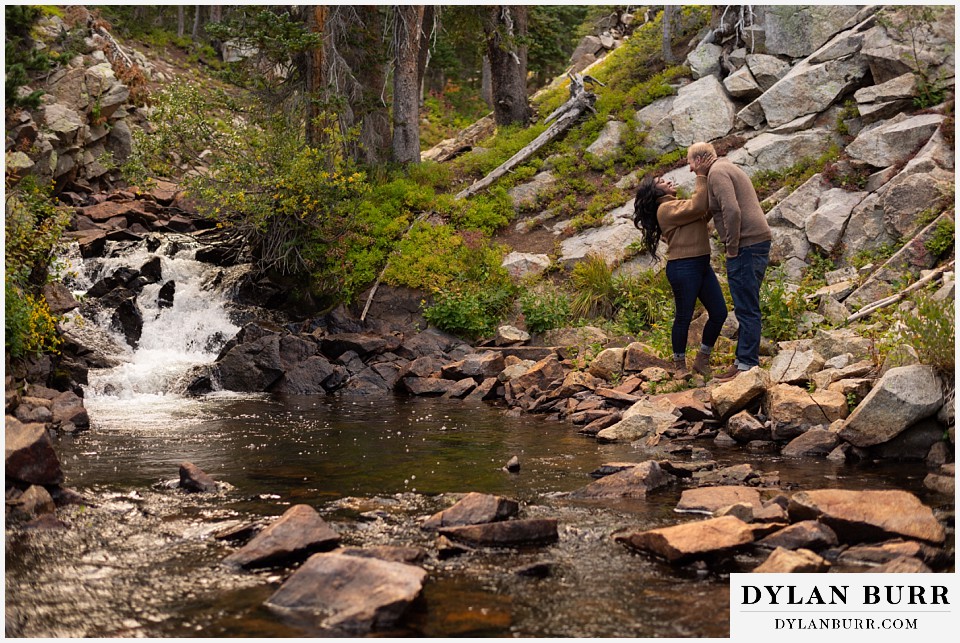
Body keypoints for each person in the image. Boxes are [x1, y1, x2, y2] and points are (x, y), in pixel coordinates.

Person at [633, 155, 727, 378]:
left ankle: (702, 359)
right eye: (661, 182)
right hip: (683, 267)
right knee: (683, 317)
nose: (668, 181)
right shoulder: (664, 210)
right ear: (656, 194)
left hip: (701, 264)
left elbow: (703, 213)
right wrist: (702, 175)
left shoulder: (678, 206)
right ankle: (679, 366)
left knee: (719, 312)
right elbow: (699, 205)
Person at [688, 141, 772, 381]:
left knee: (746, 305)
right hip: (755, 242)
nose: (691, 170)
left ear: (701, 160)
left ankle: (745, 365)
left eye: (691, 163)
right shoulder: (725, 167)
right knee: (747, 303)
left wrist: (732, 247)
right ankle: (744, 361)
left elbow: (732, 211)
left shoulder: (717, 173)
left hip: (746, 245)